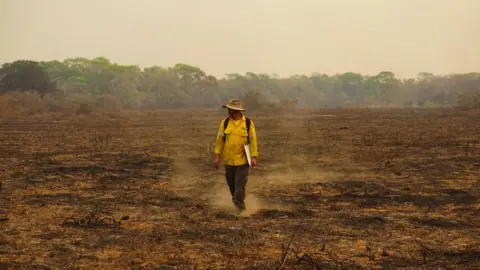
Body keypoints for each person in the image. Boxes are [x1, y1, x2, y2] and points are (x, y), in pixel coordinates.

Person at [214, 99, 258, 214]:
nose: (229, 111)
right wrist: (217, 156)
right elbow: (219, 140)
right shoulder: (224, 123)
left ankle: (241, 209)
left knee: (239, 185)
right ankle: (239, 203)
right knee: (232, 185)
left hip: (243, 160)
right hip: (228, 160)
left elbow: (253, 140)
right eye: (229, 109)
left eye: (231, 109)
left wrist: (253, 157)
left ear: (237, 111)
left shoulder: (248, 123)